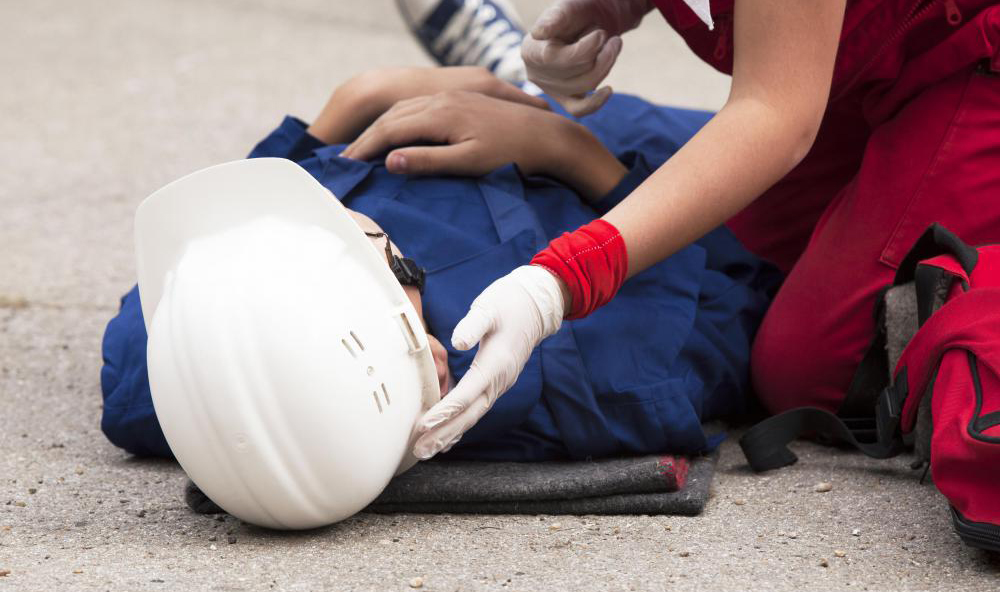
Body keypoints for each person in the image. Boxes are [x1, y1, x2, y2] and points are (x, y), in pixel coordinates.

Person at [380, 0, 1000, 459]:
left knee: (811, 373)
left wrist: (558, 283)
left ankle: (564, 121)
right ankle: (551, 109)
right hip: (859, 54)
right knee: (726, 248)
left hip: (965, 63)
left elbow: (775, 117)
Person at [100, 65, 779, 462]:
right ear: (428, 355)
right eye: (378, 260)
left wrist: (354, 103)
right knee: (787, 138)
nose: (340, 220)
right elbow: (741, 272)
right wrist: (569, 149)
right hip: (616, 168)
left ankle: (480, 73)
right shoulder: (610, 381)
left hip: (416, 125)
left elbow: (239, 214)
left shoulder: (156, 370)